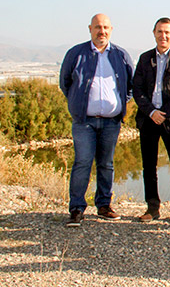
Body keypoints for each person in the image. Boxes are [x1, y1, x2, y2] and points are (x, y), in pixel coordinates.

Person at [59, 14, 134, 227]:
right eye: (97, 27)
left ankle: (103, 205)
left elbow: (129, 85)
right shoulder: (76, 53)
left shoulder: (120, 55)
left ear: (111, 29)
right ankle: (76, 209)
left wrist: (119, 104)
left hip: (111, 122)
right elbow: (65, 82)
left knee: (106, 164)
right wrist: (78, 102)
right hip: (84, 122)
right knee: (82, 162)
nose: (102, 31)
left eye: (105, 27)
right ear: (90, 29)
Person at [133, 17, 170, 224]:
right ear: (154, 33)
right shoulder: (144, 58)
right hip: (148, 120)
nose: (163, 35)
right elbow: (137, 89)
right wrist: (151, 112)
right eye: (160, 31)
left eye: (167, 32)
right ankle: (152, 207)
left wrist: (163, 113)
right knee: (149, 166)